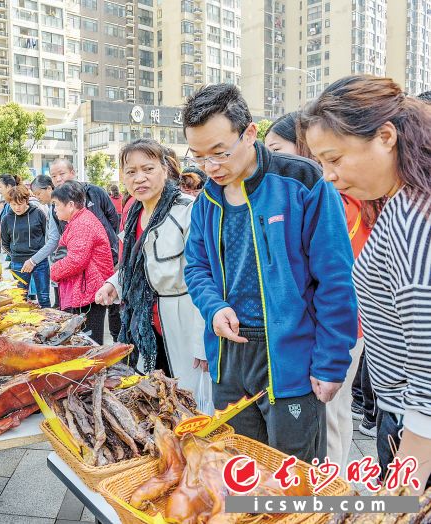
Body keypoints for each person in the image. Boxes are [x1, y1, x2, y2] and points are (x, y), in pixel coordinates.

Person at [182, 84, 358, 463]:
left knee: (291, 478)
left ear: (249, 132)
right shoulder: (206, 201)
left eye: (219, 153)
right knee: (240, 467)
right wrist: (213, 307)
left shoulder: (303, 182)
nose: (210, 167)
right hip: (229, 355)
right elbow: (195, 267)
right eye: (199, 157)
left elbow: (336, 279)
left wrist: (331, 363)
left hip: (289, 356)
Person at [299, 75, 431, 491]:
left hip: (414, 428)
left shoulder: (411, 219)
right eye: (321, 162)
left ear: (386, 136)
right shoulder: (403, 201)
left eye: (335, 159)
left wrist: (404, 487)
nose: (328, 176)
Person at [265, 111, 376, 469]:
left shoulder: (333, 199)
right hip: (330, 325)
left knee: (328, 417)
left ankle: (331, 492)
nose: (269, 160)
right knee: (332, 415)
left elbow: (331, 279)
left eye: (276, 150)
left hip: (336, 327)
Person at [95, 139, 206, 390]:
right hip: (146, 324)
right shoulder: (134, 213)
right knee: (153, 395)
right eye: (131, 172)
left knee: (189, 398)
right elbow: (136, 265)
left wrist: (203, 339)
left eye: (148, 169)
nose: (139, 178)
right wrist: (115, 283)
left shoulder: (187, 210)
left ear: (165, 170)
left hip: (183, 321)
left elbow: (205, 277)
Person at [50, 159, 121, 340]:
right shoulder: (79, 220)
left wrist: (53, 271)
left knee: (88, 341)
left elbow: (75, 260)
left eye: (57, 205)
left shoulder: (82, 223)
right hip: (85, 288)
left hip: (88, 291)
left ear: (71, 205)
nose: (55, 210)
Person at [0, 185, 50, 307]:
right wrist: (15, 256)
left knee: (44, 297)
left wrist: (37, 257)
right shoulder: (7, 219)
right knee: (20, 299)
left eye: (20, 204)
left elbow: (47, 237)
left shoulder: (38, 213)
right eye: (13, 204)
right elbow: (5, 243)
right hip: (18, 264)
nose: (17, 207)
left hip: (39, 261)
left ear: (26, 200)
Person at [30, 175, 62, 307]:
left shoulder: (56, 207)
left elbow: (54, 240)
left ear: (49, 188)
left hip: (62, 259)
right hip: (56, 259)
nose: (37, 197)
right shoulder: (50, 207)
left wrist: (33, 260)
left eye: (38, 193)